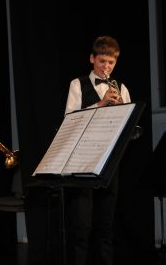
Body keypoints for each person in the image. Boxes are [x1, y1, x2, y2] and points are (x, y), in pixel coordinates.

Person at [64, 35, 131, 265]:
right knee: (81, 228)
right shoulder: (77, 84)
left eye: (111, 62)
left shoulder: (121, 87)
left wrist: (122, 110)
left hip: (109, 160)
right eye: (102, 61)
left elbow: (129, 127)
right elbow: (70, 121)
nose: (106, 67)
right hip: (83, 161)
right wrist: (100, 104)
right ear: (92, 58)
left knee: (106, 226)